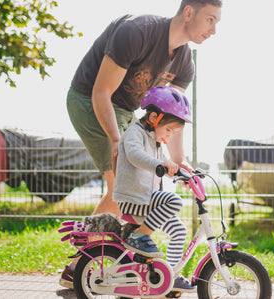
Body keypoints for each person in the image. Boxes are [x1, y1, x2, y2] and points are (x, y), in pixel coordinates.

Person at [60, 0, 222, 289]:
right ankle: (82, 266)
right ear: (188, 12)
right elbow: (101, 91)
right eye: (210, 20)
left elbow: (172, 118)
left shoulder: (184, 63)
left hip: (123, 109)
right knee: (122, 185)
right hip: (89, 100)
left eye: (216, 22)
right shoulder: (137, 32)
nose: (213, 30)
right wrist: (116, 141)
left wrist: (180, 160)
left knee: (138, 185)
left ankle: (112, 266)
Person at [114, 85, 194, 292]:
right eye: (168, 130)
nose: (168, 137)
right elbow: (134, 155)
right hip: (133, 199)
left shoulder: (154, 140)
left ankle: (173, 275)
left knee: (179, 230)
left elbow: (165, 164)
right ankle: (140, 237)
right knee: (174, 201)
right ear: (153, 118)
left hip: (146, 200)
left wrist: (182, 175)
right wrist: (160, 166)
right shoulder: (135, 133)